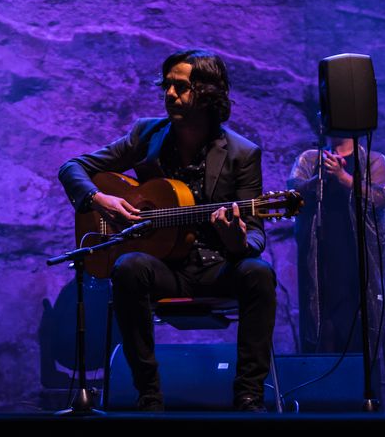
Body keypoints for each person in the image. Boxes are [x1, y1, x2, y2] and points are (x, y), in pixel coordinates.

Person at [57, 49, 275, 412]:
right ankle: (149, 396)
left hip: (216, 267)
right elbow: (72, 167)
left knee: (259, 273)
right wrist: (99, 200)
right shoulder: (148, 134)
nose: (169, 94)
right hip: (165, 268)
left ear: (207, 93)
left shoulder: (242, 153)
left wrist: (237, 240)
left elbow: (255, 235)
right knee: (128, 267)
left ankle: (249, 395)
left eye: (181, 87)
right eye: (167, 86)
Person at [288, 129, 385, 358]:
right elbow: (293, 193)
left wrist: (343, 177)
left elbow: (381, 197)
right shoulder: (310, 159)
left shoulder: (374, 160)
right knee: (323, 324)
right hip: (322, 256)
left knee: (359, 323)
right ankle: (326, 390)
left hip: (358, 257)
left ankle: (362, 388)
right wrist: (321, 178)